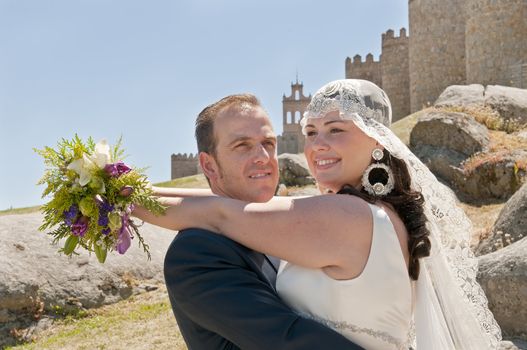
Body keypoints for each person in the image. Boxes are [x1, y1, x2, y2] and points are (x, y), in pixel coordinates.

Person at [136, 80, 502, 349]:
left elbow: (221, 213)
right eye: (310, 132)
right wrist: (121, 190)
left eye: (336, 130)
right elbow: (225, 208)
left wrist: (117, 200)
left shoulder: (344, 215)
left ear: (377, 141)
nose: (317, 145)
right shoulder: (379, 213)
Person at [152, 94, 361, 349]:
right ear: (209, 166)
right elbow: (289, 341)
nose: (263, 156)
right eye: (243, 145)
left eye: (268, 143)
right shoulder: (195, 253)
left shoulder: (279, 223)